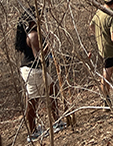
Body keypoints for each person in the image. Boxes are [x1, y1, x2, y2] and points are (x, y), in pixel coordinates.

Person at [14, 8, 66, 142]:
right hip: (33, 71)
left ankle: (57, 121)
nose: (42, 18)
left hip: (36, 70)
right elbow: (39, 57)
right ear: (33, 19)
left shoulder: (34, 33)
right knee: (33, 101)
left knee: (52, 90)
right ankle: (32, 132)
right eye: (40, 16)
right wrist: (49, 44)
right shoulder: (33, 35)